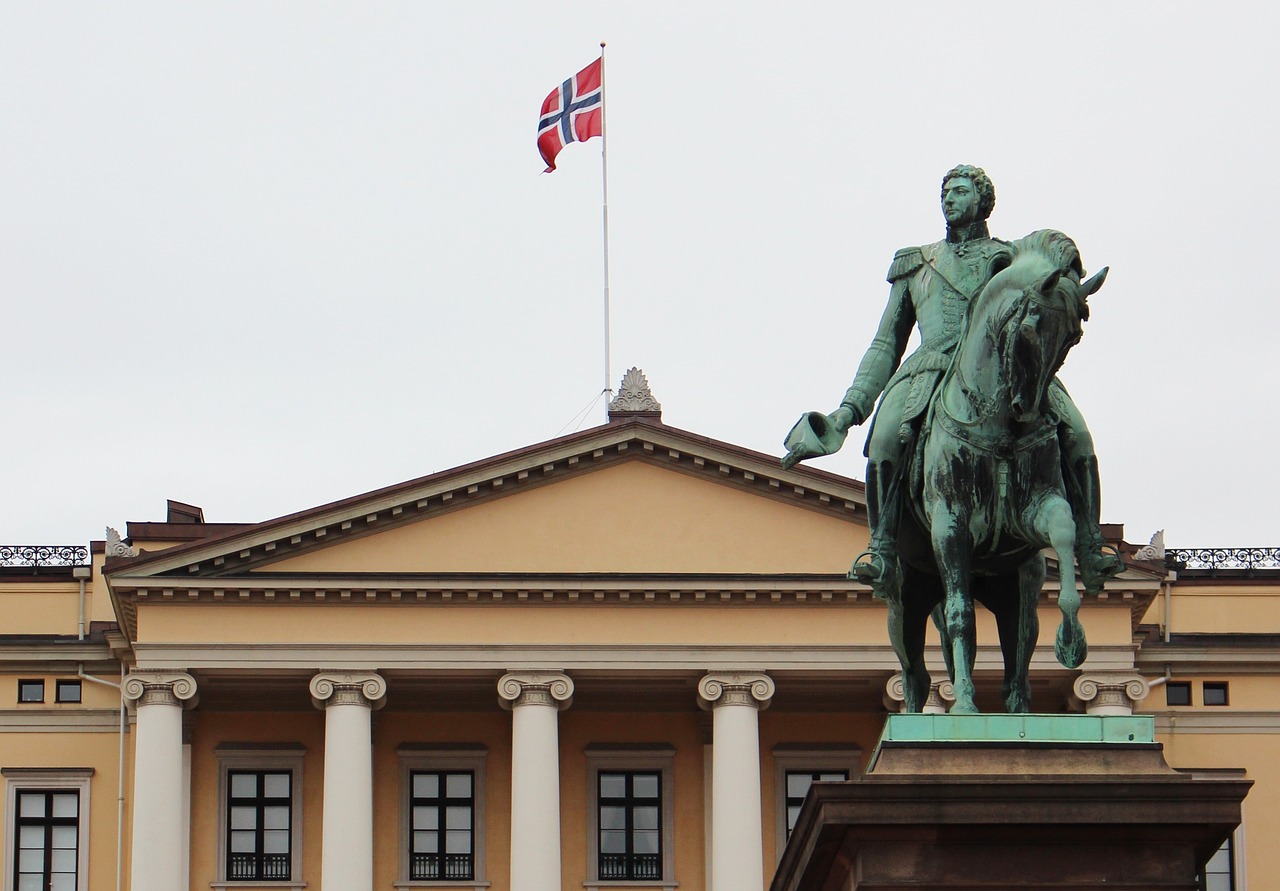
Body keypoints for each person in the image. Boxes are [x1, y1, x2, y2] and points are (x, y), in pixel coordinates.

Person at [784, 165, 1120, 599]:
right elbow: (886, 342)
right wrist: (848, 412)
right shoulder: (916, 262)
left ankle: (1091, 546)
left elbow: (1057, 279)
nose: (949, 199)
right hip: (929, 367)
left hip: (1010, 368)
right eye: (946, 192)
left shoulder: (1012, 258)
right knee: (884, 439)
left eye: (960, 191)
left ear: (982, 201)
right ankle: (882, 548)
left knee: (1077, 433)